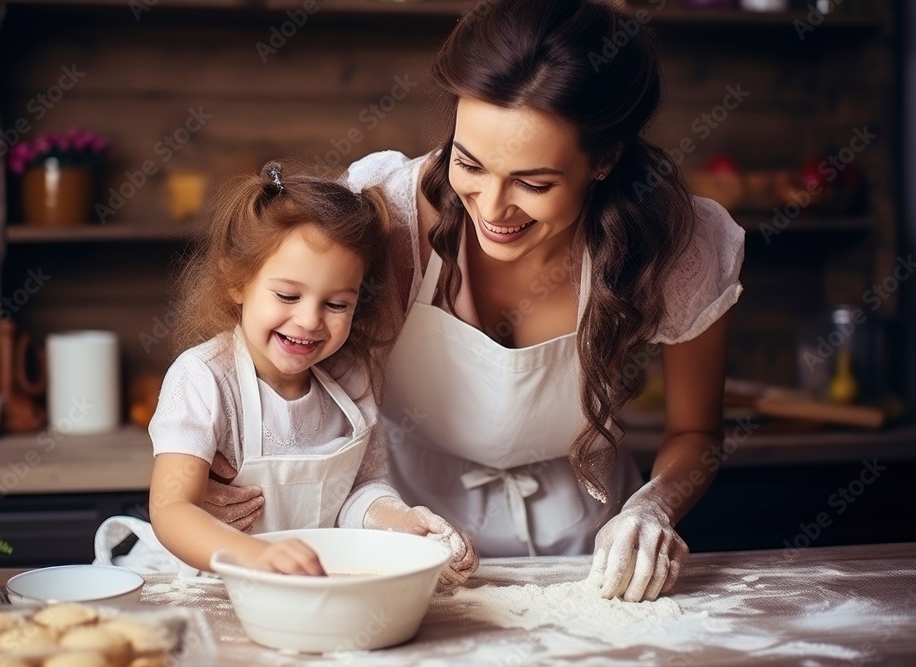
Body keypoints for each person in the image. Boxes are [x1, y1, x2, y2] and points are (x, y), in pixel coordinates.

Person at [208, 0, 744, 602]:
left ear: (606, 159)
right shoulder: (389, 218)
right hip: (405, 534)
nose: (490, 209)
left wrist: (653, 509)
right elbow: (277, 349)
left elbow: (697, 431)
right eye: (469, 163)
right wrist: (218, 457)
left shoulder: (676, 245)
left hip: (586, 543)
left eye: (534, 183)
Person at [143, 162, 479, 585]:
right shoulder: (203, 379)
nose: (308, 320)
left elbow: (357, 493)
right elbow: (173, 509)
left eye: (337, 304)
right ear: (237, 281)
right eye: (287, 295)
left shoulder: (352, 378)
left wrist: (404, 524)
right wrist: (255, 556)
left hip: (313, 589)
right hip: (212, 591)